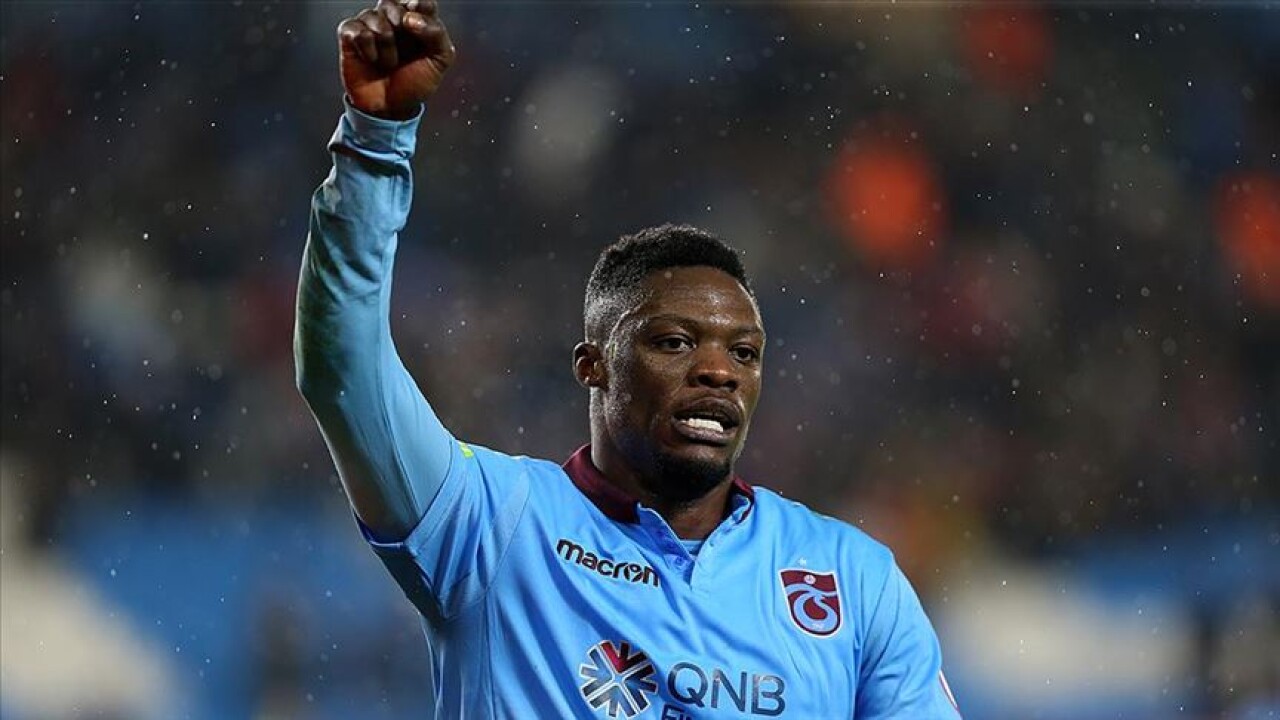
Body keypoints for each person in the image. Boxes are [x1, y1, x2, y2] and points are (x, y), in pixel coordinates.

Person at [295, 1, 962, 717]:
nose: (719, 371)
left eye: (744, 352)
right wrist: (376, 143)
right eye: (675, 342)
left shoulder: (853, 580)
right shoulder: (493, 525)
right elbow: (343, 366)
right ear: (594, 365)